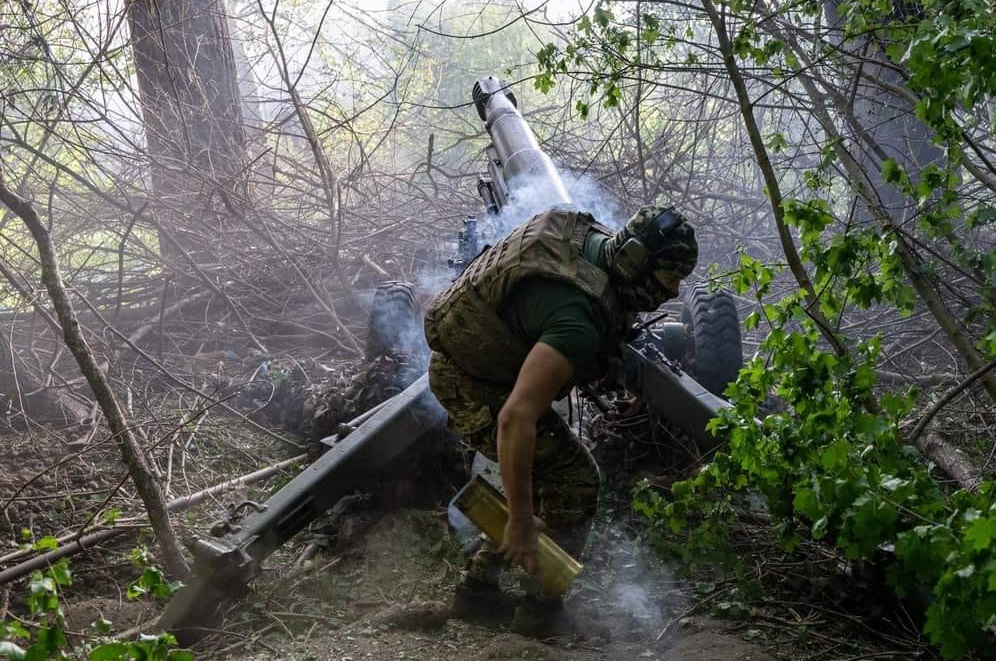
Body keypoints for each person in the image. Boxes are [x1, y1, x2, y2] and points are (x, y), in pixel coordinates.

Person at [424, 204, 698, 635]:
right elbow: (515, 418)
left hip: (488, 365)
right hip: (472, 384)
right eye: (669, 278)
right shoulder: (577, 323)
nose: (674, 290)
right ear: (636, 263)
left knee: (541, 474)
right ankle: (539, 610)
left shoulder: (591, 241)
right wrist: (517, 519)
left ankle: (477, 591)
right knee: (575, 480)